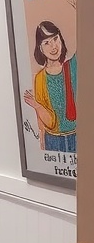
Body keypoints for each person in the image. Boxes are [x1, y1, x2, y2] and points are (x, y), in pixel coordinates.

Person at [23, 20, 76, 152]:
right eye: (47, 43)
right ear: (40, 48)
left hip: (78, 136)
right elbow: (48, 122)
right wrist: (37, 105)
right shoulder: (40, 78)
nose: (54, 47)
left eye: (55, 39)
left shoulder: (73, 66)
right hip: (53, 141)